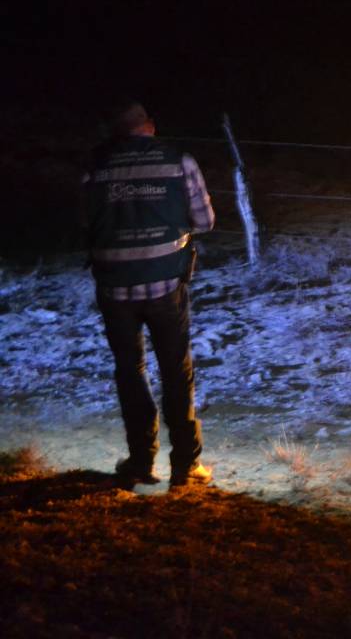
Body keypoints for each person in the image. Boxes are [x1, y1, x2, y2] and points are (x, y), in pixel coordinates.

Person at [83, 100, 215, 489]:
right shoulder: (178, 160)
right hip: (165, 286)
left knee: (130, 370)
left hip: (113, 285)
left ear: (115, 132)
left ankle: (141, 462)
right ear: (150, 127)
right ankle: (186, 467)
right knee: (176, 371)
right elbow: (205, 222)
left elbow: (84, 220)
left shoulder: (96, 164)